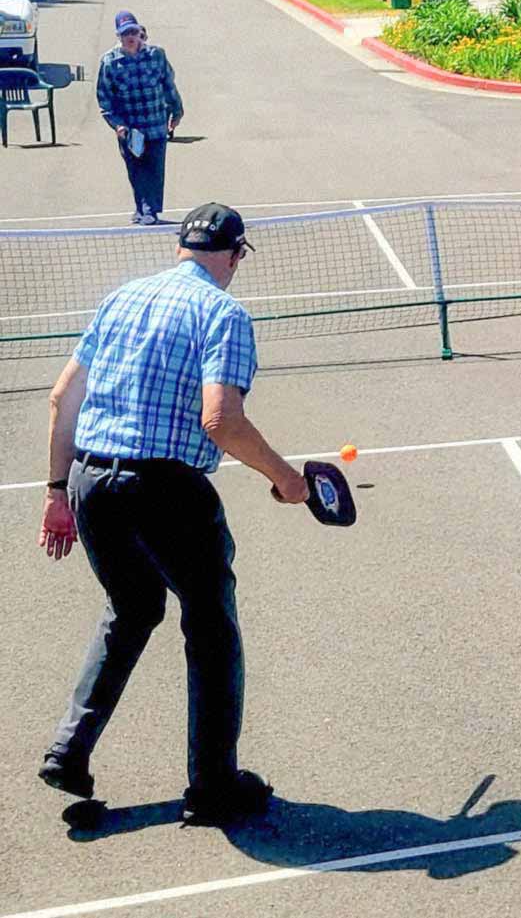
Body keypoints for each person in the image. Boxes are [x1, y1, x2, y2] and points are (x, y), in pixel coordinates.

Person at [36, 203, 309, 824]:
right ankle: (213, 787)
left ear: (180, 247)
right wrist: (287, 480)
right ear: (235, 256)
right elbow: (221, 420)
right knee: (211, 630)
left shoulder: (123, 298)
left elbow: (62, 397)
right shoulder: (224, 313)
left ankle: (68, 749)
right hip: (166, 491)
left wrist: (57, 494)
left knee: (131, 609)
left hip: (90, 481)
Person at [95, 10, 184, 226]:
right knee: (136, 171)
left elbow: (168, 85)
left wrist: (177, 110)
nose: (131, 37)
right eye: (126, 33)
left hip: (155, 125)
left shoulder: (156, 55)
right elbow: (105, 98)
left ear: (140, 32)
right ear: (119, 36)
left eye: (134, 32)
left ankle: (149, 210)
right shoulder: (110, 62)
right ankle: (143, 208)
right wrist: (117, 125)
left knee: (155, 170)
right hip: (131, 129)